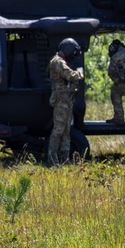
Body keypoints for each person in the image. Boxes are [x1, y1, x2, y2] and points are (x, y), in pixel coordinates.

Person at [47, 38, 84, 166]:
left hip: (67, 99)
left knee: (66, 130)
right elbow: (71, 76)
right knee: (58, 130)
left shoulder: (60, 61)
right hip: (61, 100)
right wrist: (79, 73)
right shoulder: (57, 62)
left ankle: (64, 158)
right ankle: (52, 159)